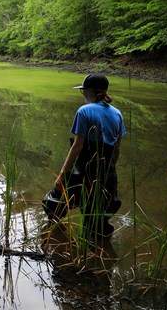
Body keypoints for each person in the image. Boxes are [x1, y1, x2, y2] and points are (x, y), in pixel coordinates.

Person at [43, 73, 125, 237]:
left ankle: (54, 237)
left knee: (54, 201)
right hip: (106, 172)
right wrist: (109, 173)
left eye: (83, 91)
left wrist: (61, 175)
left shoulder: (84, 111)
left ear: (89, 91)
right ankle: (100, 253)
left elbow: (77, 147)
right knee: (98, 220)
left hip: (84, 169)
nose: (83, 95)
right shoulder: (117, 114)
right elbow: (117, 149)